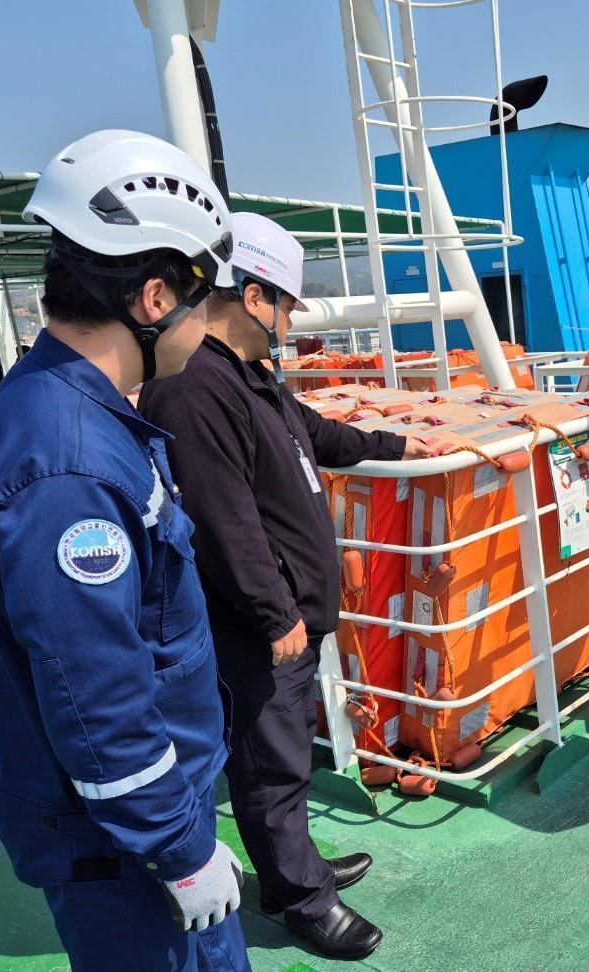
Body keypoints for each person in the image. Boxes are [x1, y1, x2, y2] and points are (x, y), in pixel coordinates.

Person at [0, 130, 251, 970]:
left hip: (134, 823)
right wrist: (180, 849)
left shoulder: (50, 405)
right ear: (154, 297)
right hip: (124, 847)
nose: (211, 325)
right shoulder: (72, 464)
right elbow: (95, 695)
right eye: (205, 301)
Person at [140, 213, 429, 960]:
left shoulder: (249, 379)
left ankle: (288, 870)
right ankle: (302, 901)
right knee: (269, 762)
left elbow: (314, 435)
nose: (291, 322)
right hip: (255, 626)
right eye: (288, 306)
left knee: (285, 753)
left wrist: (398, 442)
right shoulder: (197, 388)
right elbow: (222, 518)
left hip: (287, 615)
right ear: (255, 295)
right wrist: (274, 615)